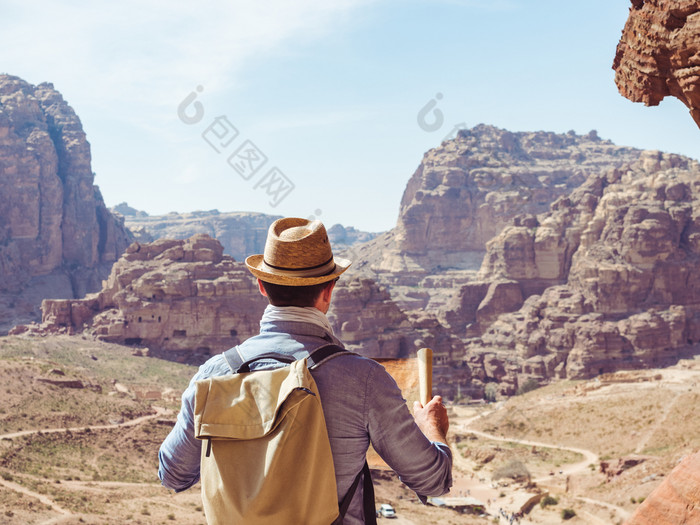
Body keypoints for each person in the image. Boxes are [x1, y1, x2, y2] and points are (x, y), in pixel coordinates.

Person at [158, 217, 452, 524]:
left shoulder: (213, 375)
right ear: (328, 291)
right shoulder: (364, 380)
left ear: (261, 286)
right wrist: (431, 427)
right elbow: (433, 480)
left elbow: (173, 476)